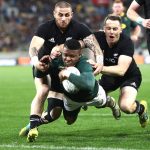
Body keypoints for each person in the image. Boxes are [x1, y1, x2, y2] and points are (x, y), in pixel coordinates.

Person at [26, 0, 104, 141]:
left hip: (64, 70)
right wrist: (35, 62)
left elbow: (95, 47)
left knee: (57, 114)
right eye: (60, 15)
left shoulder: (80, 28)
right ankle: (32, 128)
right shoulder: (45, 28)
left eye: (67, 15)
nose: (63, 18)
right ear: (54, 14)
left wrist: (100, 62)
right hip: (45, 65)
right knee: (43, 90)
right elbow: (33, 47)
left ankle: (74, 106)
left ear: (72, 14)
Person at [20, 39, 121, 142]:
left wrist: (69, 75)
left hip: (93, 96)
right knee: (69, 121)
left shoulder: (84, 64)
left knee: (104, 102)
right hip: (72, 99)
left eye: (72, 56)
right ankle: (36, 122)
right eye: (65, 55)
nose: (67, 59)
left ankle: (111, 102)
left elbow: (88, 86)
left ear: (79, 55)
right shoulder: (57, 61)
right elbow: (39, 74)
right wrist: (41, 66)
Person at [93, 14, 149, 128]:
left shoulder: (126, 42)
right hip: (109, 76)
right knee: (96, 100)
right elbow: (78, 42)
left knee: (126, 107)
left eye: (115, 29)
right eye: (108, 28)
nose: (111, 32)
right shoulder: (96, 37)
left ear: (121, 30)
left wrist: (98, 67)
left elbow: (121, 71)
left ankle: (141, 109)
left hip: (129, 76)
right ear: (104, 29)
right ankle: (111, 104)